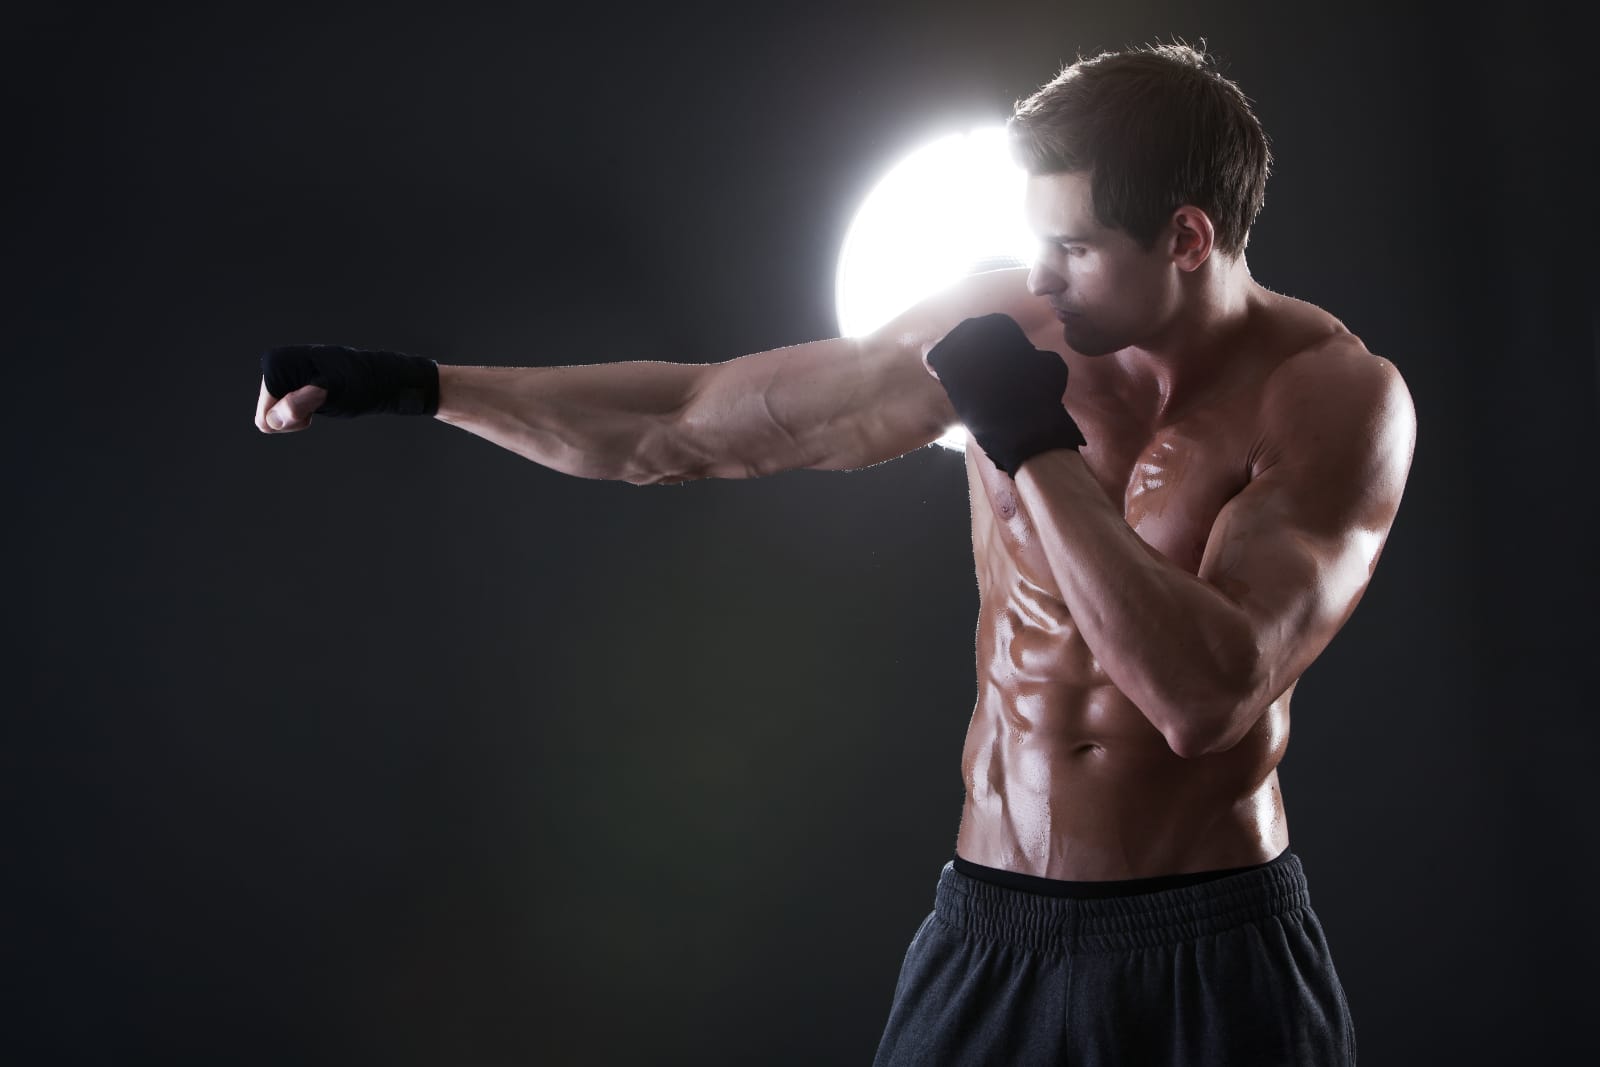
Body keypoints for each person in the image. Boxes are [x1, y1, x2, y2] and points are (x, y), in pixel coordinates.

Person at [254, 41, 1412, 1066]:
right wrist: (420, 385)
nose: (1038, 280)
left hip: (1205, 947)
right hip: (993, 930)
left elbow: (1202, 694)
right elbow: (693, 422)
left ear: (1189, 236)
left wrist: (1031, 445)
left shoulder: (1331, 402)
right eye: (1030, 245)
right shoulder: (1010, 322)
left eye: (1070, 247)